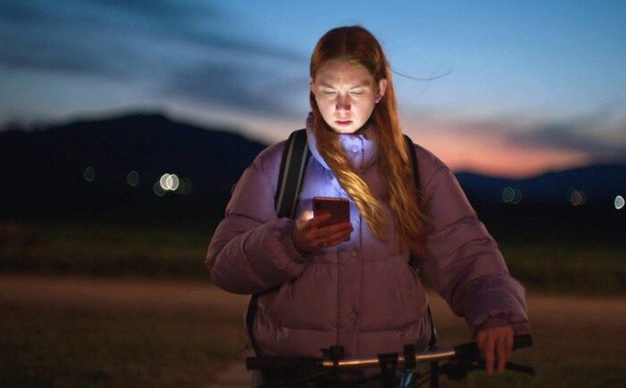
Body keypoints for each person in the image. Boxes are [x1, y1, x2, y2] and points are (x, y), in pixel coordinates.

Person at [206, 25, 530, 385]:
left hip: (391, 373)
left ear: (380, 90)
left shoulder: (418, 169)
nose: (341, 106)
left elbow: (466, 254)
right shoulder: (278, 165)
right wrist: (289, 242)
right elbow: (224, 266)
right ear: (312, 88)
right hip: (296, 374)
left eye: (356, 91)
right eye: (329, 90)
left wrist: (495, 315)